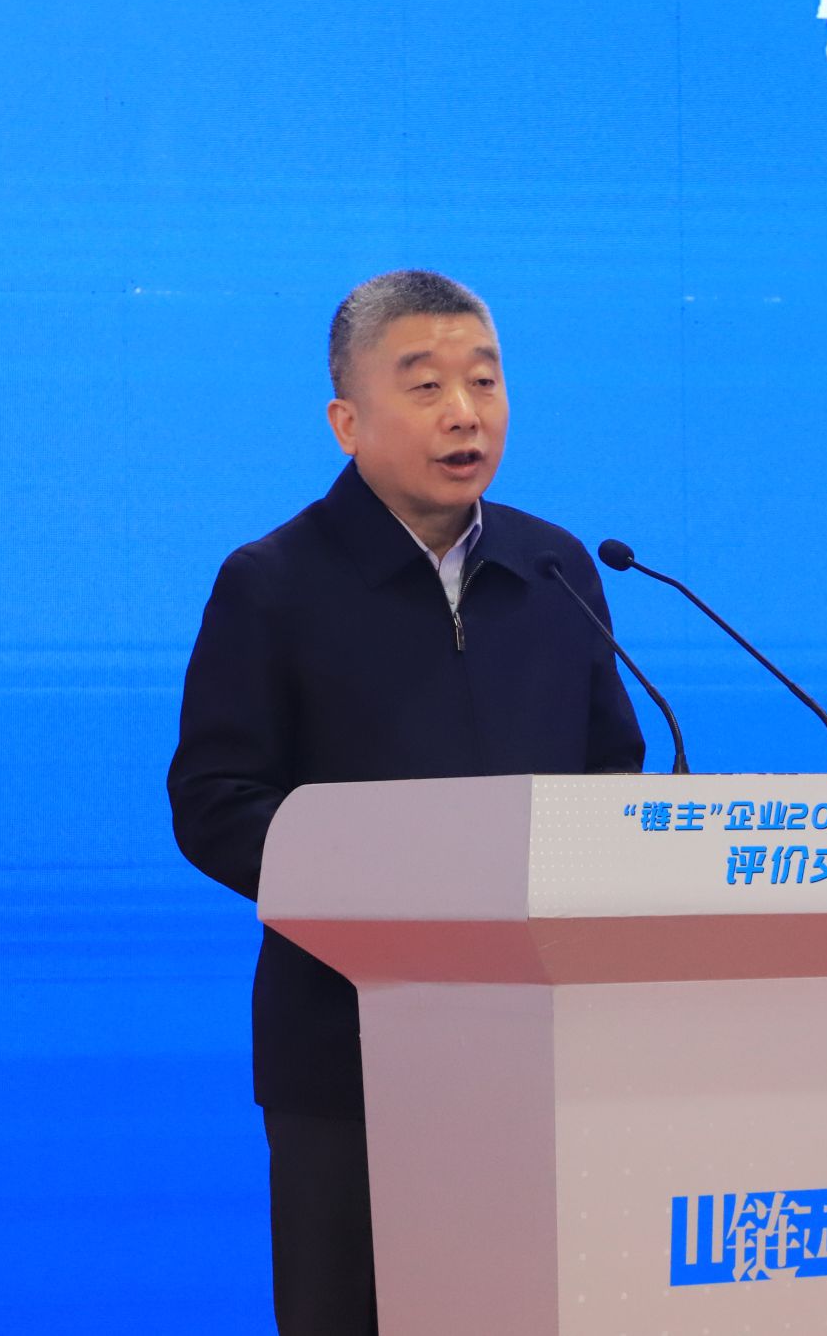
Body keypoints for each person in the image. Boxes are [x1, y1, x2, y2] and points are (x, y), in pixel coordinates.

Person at [166, 270, 646, 1336]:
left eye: (485, 380)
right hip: (348, 1050)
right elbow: (213, 801)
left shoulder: (556, 569)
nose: (464, 413)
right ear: (347, 422)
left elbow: (613, 773)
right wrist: (388, 883)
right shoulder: (274, 582)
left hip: (542, 1046)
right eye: (425, 386)